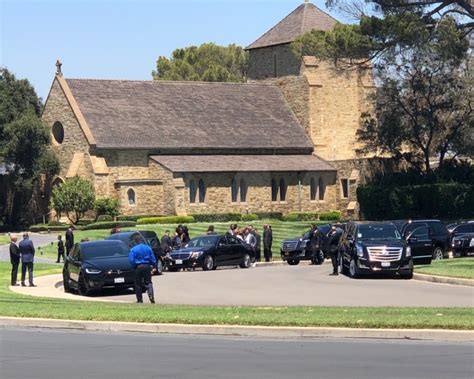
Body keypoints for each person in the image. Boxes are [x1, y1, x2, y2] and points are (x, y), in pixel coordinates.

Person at [128, 234, 157, 303]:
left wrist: (133, 266)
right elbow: (152, 258)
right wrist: (154, 266)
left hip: (138, 266)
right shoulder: (148, 248)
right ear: (142, 241)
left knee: (138, 284)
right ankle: (151, 296)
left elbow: (131, 260)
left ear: (136, 241)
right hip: (147, 266)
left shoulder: (133, 249)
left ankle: (139, 299)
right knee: (148, 282)